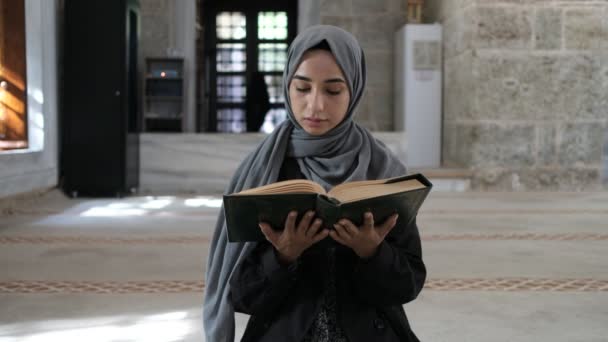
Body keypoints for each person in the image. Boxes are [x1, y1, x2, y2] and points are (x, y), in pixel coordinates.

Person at [203, 25, 426, 342]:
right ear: (286, 88)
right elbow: (241, 296)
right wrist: (282, 257)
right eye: (303, 88)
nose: (316, 105)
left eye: (333, 91)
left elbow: (408, 284)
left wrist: (372, 252)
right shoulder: (262, 170)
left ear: (354, 91)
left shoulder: (383, 169)